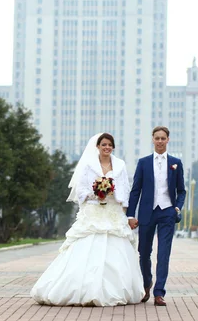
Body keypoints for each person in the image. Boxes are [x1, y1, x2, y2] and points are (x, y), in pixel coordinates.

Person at [30, 133, 145, 306]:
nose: (107, 147)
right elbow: (81, 190)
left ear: (113, 147)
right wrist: (97, 194)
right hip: (94, 211)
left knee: (116, 250)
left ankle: (117, 289)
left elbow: (125, 189)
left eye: (110, 145)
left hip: (113, 212)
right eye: (104, 144)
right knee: (87, 247)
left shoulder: (120, 165)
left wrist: (120, 204)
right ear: (97, 146)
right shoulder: (88, 165)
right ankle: (79, 288)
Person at [126, 126, 186, 306]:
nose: (160, 141)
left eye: (163, 138)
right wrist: (130, 215)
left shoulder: (176, 163)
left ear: (168, 140)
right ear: (152, 139)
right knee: (144, 253)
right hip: (147, 212)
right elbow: (135, 190)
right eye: (157, 138)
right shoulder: (143, 162)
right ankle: (146, 284)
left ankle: (159, 292)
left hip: (167, 212)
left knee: (164, 253)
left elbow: (181, 191)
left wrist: (177, 208)